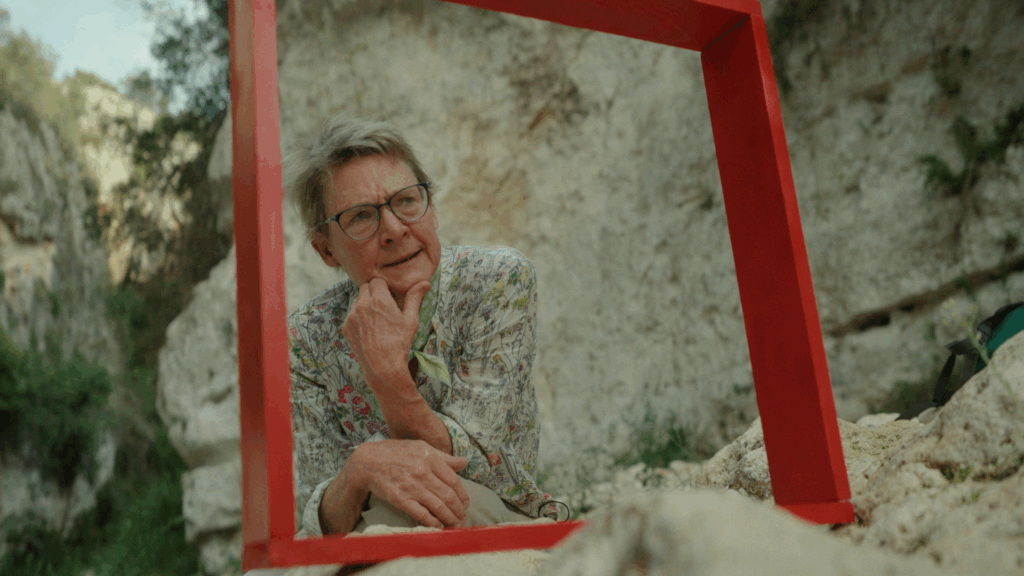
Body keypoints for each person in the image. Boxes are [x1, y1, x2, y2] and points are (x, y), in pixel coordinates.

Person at [286, 116, 565, 536]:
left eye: (406, 201)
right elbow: (318, 514)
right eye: (361, 217)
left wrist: (386, 376)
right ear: (326, 250)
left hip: (493, 512)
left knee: (391, 520)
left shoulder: (498, 281)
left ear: (431, 208)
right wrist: (360, 469)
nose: (395, 230)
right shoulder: (307, 337)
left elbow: (475, 466)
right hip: (372, 520)